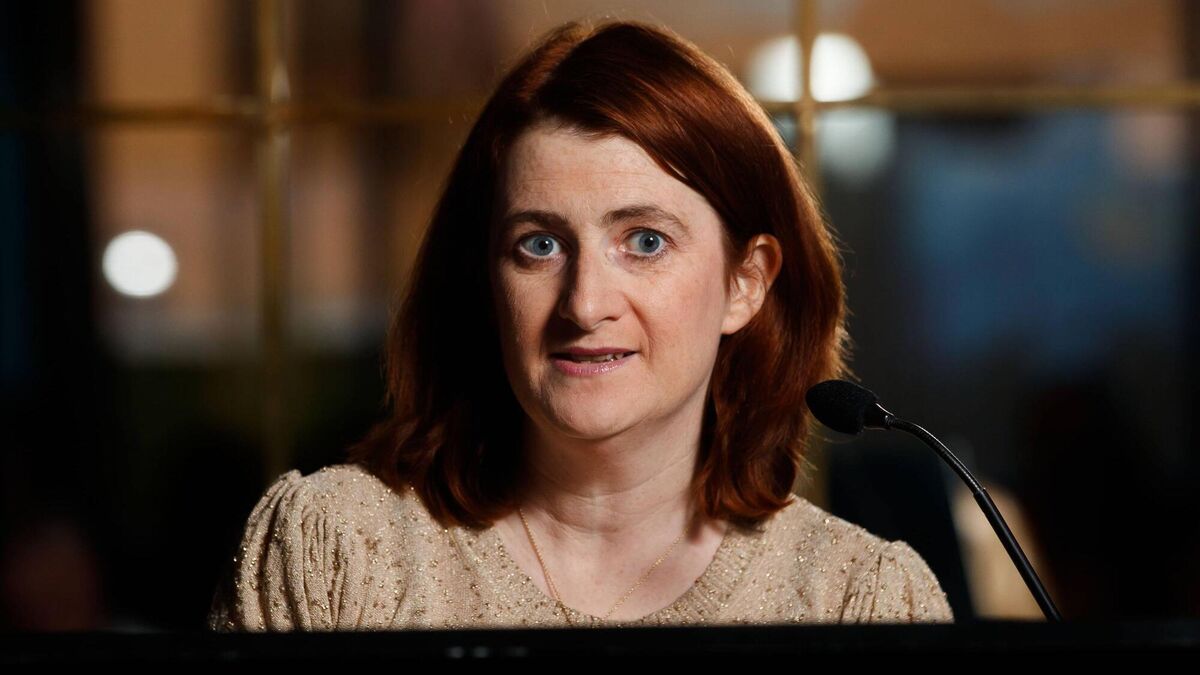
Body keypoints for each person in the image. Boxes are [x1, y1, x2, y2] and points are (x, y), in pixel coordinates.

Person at [208, 18, 954, 631]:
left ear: (745, 282)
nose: (585, 303)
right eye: (539, 245)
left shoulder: (862, 602)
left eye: (645, 241)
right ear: (486, 277)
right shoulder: (336, 551)